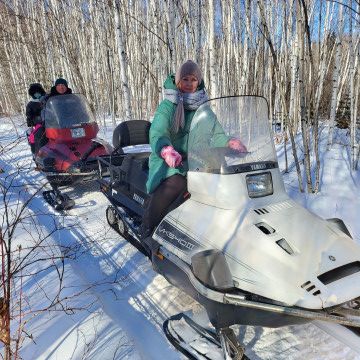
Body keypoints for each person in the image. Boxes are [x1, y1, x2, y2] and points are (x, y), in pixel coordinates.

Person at [141, 60, 247, 237]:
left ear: (199, 82)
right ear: (178, 82)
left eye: (193, 79)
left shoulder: (204, 108)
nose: (189, 83)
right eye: (185, 79)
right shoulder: (168, 106)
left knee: (224, 182)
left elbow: (216, 134)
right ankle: (147, 227)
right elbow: (158, 131)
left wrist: (229, 142)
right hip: (171, 162)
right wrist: (166, 149)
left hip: (198, 160)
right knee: (175, 185)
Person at [26, 83, 46, 155]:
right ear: (32, 94)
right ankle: (38, 153)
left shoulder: (46, 100)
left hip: (50, 122)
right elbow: (29, 117)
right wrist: (34, 120)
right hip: (38, 124)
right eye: (35, 92)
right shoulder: (30, 104)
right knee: (39, 134)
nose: (37, 94)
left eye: (38, 92)